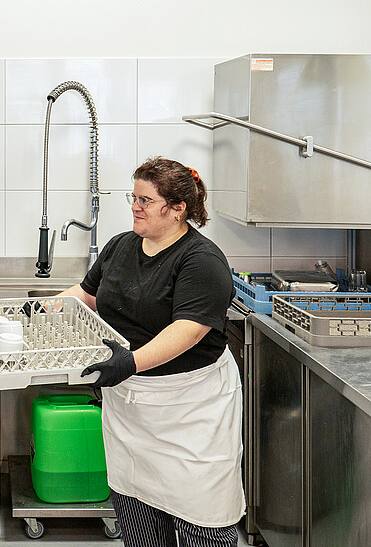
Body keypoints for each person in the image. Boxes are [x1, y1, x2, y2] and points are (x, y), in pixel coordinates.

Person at [58, 156, 244, 547]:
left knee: (202, 515)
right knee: (136, 507)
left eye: (145, 200)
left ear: (178, 209)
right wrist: (43, 308)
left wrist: (129, 362)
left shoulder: (202, 261)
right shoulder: (122, 245)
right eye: (134, 197)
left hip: (191, 407)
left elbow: (188, 331)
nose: (134, 207)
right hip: (131, 407)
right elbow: (86, 294)